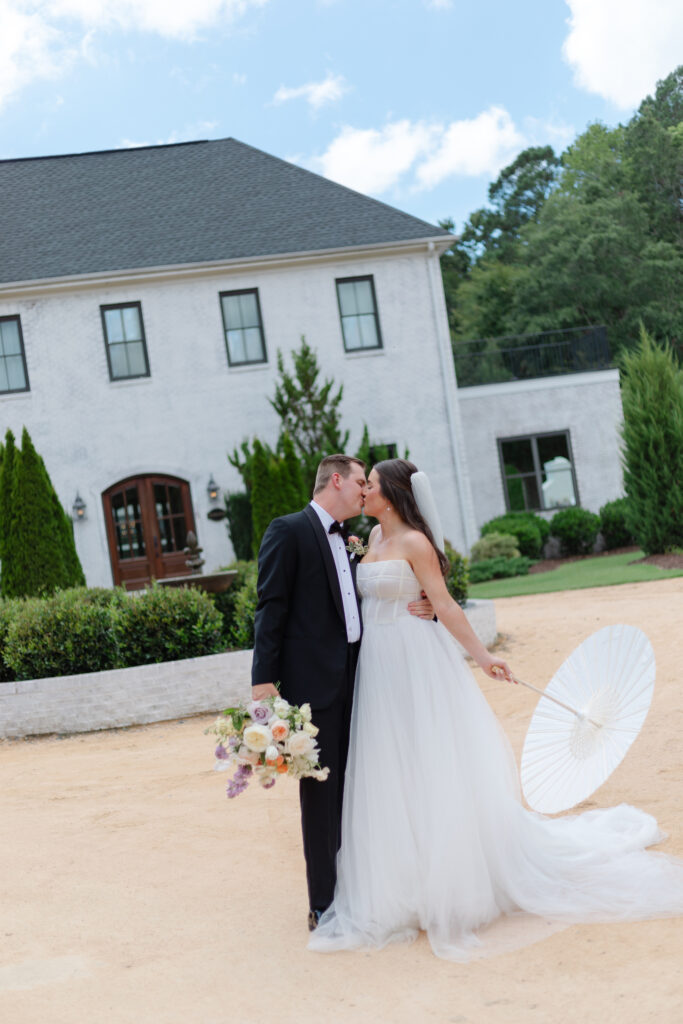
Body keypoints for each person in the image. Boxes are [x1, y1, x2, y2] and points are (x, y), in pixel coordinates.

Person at [308, 458, 683, 961]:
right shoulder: (370, 541)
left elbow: (443, 604)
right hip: (376, 665)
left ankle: (450, 881)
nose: (363, 492)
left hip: (413, 663)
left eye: (370, 486)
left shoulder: (415, 543)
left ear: (393, 494)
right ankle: (403, 879)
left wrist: (484, 657)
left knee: (432, 760)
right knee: (389, 768)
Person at [251, 454, 434, 931]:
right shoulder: (288, 531)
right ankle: (323, 906)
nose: (364, 491)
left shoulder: (362, 540)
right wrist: (263, 685)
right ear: (336, 480)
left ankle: (359, 888)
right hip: (315, 689)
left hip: (364, 680)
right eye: (359, 482)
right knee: (321, 796)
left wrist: (428, 601)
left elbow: (398, 579)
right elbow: (270, 609)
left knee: (360, 792)